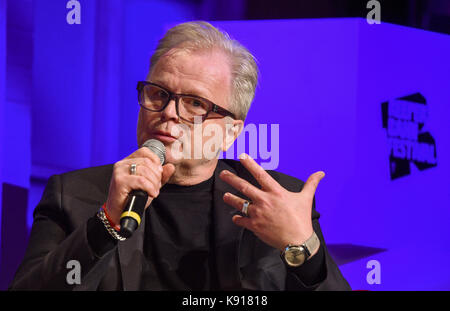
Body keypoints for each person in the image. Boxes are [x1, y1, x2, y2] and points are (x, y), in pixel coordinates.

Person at [10, 21, 350, 290]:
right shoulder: (73, 195)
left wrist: (302, 249)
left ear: (232, 130)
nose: (169, 112)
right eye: (158, 94)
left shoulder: (274, 200)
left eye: (195, 104)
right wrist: (106, 223)